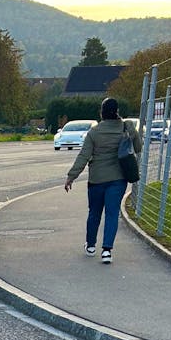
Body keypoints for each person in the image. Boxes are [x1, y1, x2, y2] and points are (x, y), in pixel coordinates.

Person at [64, 98, 143, 264]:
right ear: (117, 111)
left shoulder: (94, 132)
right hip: (118, 178)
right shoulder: (125, 128)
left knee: (94, 213)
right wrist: (132, 131)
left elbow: (84, 156)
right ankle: (107, 251)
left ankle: (91, 245)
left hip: (97, 179)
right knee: (112, 213)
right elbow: (138, 148)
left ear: (101, 112)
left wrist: (72, 176)